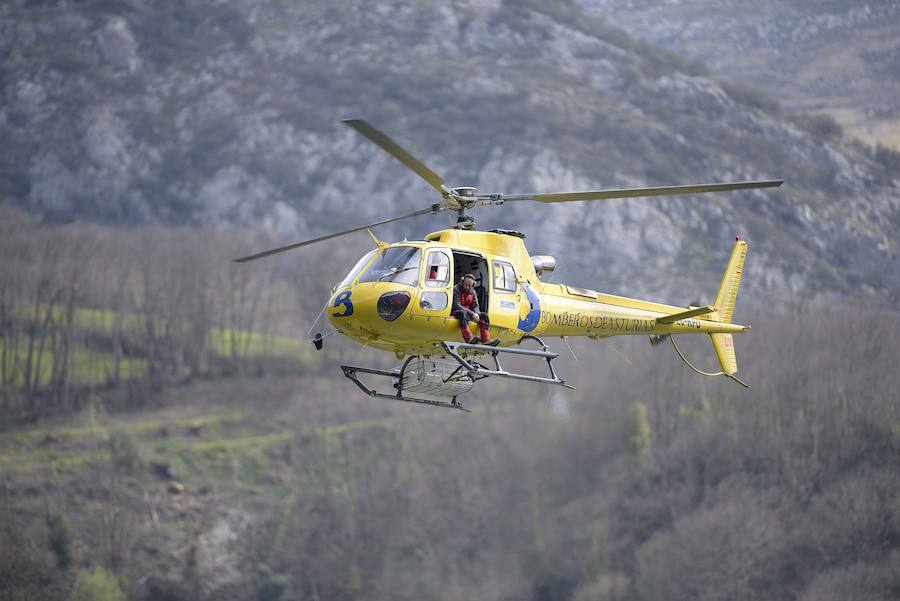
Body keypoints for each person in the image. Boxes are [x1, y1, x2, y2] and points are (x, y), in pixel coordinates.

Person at [452, 274, 499, 345]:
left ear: (473, 286)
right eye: (465, 284)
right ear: (462, 282)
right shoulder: (456, 289)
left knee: (483, 315)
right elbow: (457, 305)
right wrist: (472, 313)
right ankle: (469, 339)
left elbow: (476, 306)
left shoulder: (473, 292)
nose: (467, 287)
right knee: (462, 313)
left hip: (468, 313)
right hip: (456, 311)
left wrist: (477, 313)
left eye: (469, 285)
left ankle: (486, 339)